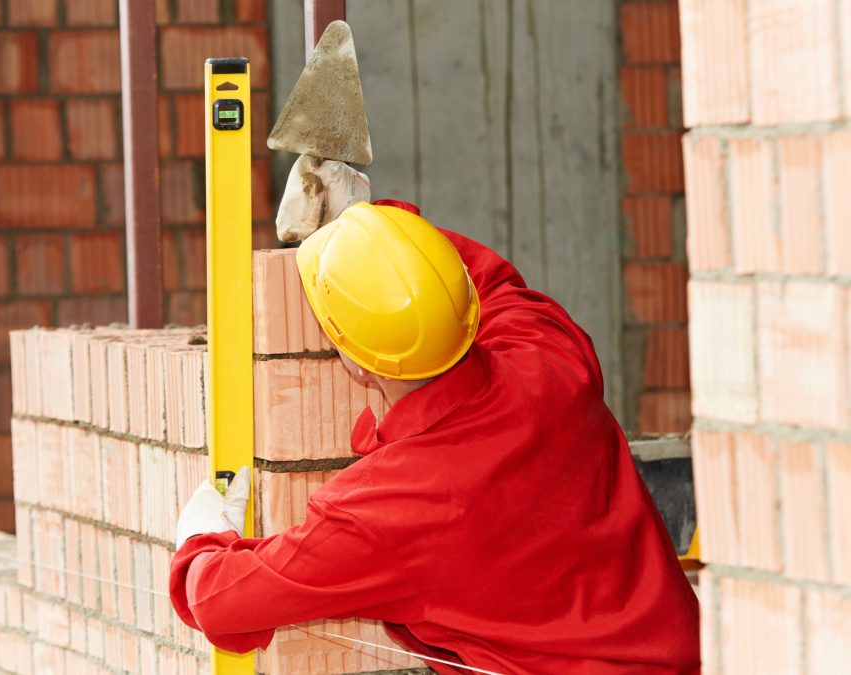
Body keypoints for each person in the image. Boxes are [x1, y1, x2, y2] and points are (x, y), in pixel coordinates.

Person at [169, 191, 700, 673]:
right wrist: (375, 228)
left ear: (356, 364)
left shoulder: (389, 509)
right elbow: (486, 282)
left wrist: (201, 537)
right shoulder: (550, 362)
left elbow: (221, 601)